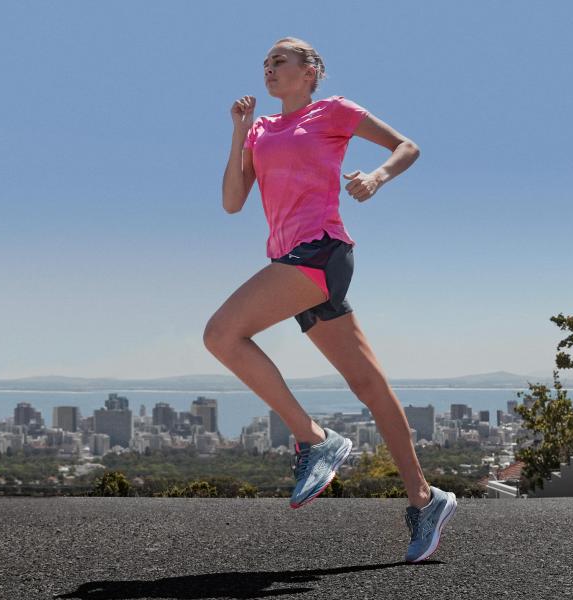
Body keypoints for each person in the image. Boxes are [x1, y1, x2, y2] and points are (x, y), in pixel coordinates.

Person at [208, 36, 455, 563]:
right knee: (369, 384)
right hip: (291, 261)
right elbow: (233, 201)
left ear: (310, 69)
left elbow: (406, 145)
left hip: (319, 251)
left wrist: (377, 177)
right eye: (265, 62)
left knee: (222, 334)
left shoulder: (334, 111)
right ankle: (425, 499)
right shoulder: (260, 128)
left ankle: (313, 438)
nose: (270, 68)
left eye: (281, 60)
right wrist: (236, 134)